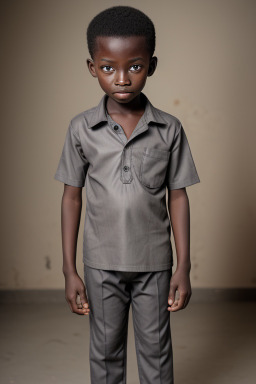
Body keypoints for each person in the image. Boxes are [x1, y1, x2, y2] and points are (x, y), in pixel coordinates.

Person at [54, 5, 200, 384]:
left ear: (151, 65)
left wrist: (183, 265)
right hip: (101, 265)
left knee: (156, 352)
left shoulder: (169, 129)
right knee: (105, 353)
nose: (121, 78)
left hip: (154, 264)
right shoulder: (81, 129)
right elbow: (72, 197)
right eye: (108, 67)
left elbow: (178, 197)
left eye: (134, 66)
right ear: (92, 67)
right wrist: (70, 270)